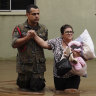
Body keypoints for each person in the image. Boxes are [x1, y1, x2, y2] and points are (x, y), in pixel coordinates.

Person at [28, 24, 82, 92]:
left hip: (73, 75)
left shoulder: (76, 44)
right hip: (58, 75)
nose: (69, 33)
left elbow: (84, 58)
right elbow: (44, 44)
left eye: (71, 32)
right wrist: (34, 35)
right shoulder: (56, 42)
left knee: (71, 92)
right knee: (59, 93)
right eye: (67, 32)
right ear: (62, 34)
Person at [12, 4, 48, 92]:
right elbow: (14, 44)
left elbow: (45, 44)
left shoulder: (43, 28)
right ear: (27, 14)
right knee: (23, 90)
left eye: (38, 14)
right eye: (34, 14)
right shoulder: (19, 28)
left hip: (38, 67)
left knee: (38, 89)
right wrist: (27, 38)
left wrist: (35, 36)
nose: (37, 16)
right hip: (24, 67)